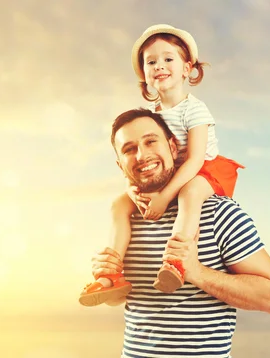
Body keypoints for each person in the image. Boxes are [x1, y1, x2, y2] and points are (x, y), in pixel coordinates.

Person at [92, 108, 270, 357]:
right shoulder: (125, 219)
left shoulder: (217, 213)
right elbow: (127, 300)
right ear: (120, 165)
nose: (142, 155)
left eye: (151, 141)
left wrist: (197, 273)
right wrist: (107, 275)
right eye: (129, 149)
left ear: (173, 147)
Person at [79, 24, 244, 303]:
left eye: (169, 59)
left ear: (187, 68)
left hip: (204, 170)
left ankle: (176, 263)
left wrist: (165, 196)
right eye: (151, 61)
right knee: (119, 204)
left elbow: (193, 160)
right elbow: (137, 160)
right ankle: (111, 273)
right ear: (144, 74)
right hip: (171, 175)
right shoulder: (151, 117)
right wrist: (134, 192)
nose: (160, 65)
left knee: (189, 193)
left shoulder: (195, 110)